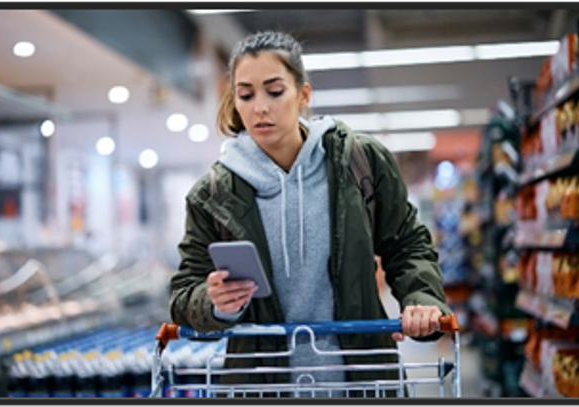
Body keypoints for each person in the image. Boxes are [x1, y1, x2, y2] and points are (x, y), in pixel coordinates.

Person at [169, 30, 452, 397]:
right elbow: (183, 296)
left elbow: (407, 244)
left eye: (274, 91)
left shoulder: (358, 162)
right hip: (261, 386)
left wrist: (421, 299)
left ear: (303, 94)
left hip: (363, 380)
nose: (260, 107)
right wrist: (215, 303)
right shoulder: (213, 194)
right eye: (246, 94)